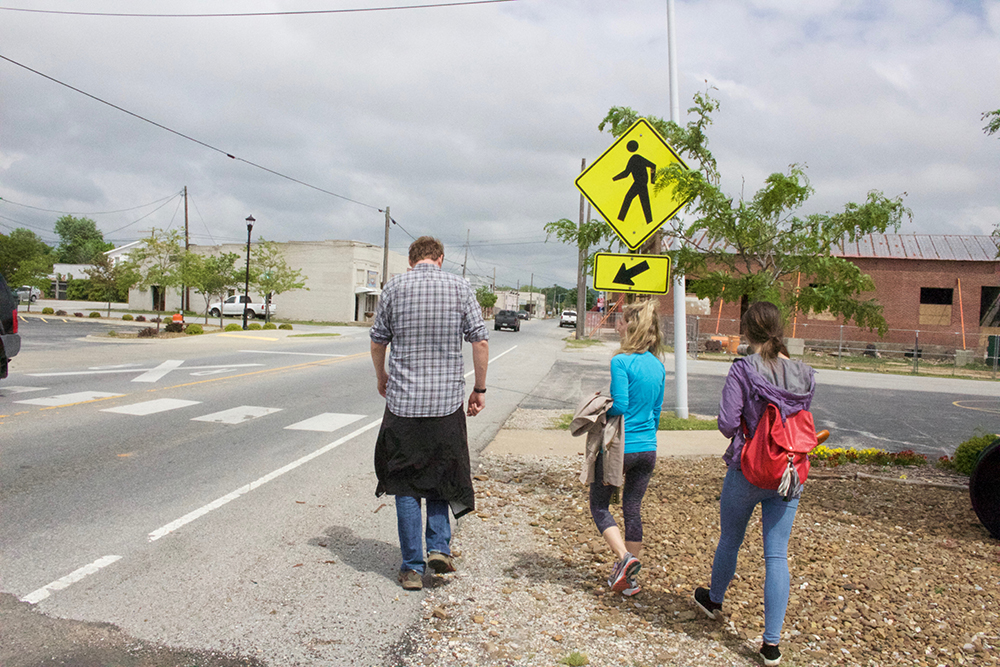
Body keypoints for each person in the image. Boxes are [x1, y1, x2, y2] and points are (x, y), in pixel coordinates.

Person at [693, 301, 816, 667]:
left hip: (748, 468)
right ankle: (772, 645)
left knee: (730, 538)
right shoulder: (806, 374)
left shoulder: (742, 370)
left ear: (746, 331)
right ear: (779, 328)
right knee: (776, 553)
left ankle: (714, 601)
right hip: (789, 472)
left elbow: (728, 423)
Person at [370, 236, 489, 591]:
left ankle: (410, 568)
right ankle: (439, 548)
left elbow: (378, 341)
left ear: (412, 261)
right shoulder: (459, 286)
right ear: (439, 258)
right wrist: (479, 389)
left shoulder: (393, 287)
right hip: (445, 404)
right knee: (442, 471)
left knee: (405, 482)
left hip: (404, 403)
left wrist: (382, 378)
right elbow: (480, 341)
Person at [589, 299, 665, 597]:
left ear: (630, 327)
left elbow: (620, 405)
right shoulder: (657, 366)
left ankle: (624, 559)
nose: (617, 325)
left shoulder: (621, 361)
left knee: (599, 505)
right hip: (648, 449)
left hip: (621, 447)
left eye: (620, 321)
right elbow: (656, 412)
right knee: (633, 508)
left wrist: (599, 407)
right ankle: (630, 581)